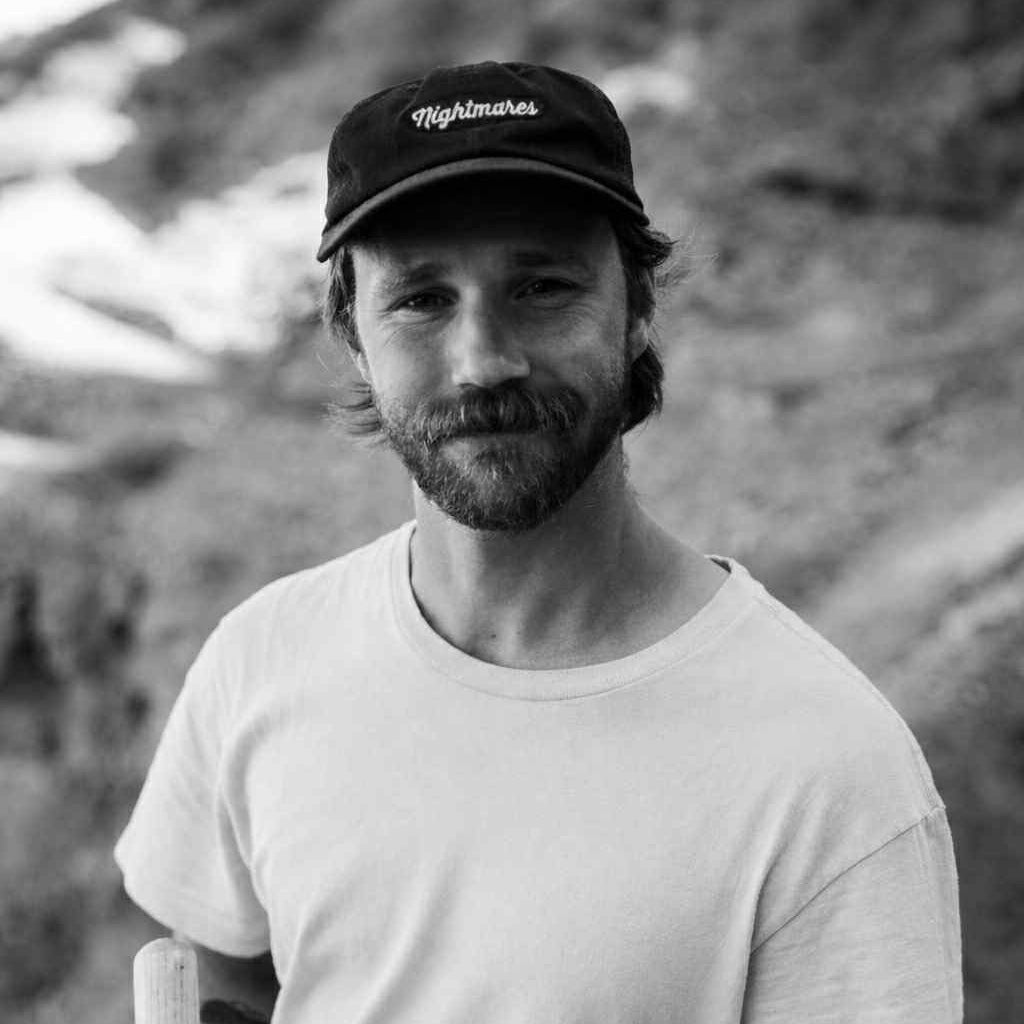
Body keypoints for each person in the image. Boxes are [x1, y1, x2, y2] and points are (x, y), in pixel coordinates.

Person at [114, 61, 963, 1023]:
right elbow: (226, 975)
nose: (484, 361)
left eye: (543, 287)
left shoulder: (826, 766)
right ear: (351, 332)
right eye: (422, 299)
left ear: (638, 310)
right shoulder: (262, 660)